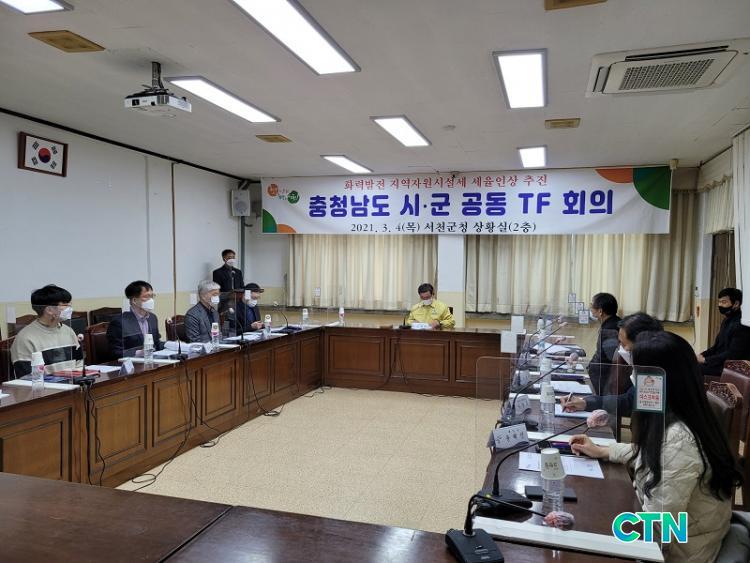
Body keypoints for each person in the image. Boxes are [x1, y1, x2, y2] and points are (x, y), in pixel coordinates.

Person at [570, 331, 742, 562]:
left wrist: (599, 529)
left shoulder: (679, 440)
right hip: (686, 540)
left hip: (681, 554)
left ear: (660, 381)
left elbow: (659, 531)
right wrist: (604, 451)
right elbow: (652, 453)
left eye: (638, 372)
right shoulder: (686, 416)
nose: (634, 379)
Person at [560, 312, 663, 417]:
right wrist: (585, 403)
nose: (620, 348)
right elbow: (630, 399)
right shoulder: (643, 366)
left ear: (641, 344)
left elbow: (630, 402)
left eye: (623, 344)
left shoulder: (658, 373)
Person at [10, 285, 83, 377]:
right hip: (46, 386)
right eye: (65, 304)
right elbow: (27, 377)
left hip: (73, 384)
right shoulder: (25, 338)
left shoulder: (69, 331)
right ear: (49, 310)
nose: (70, 308)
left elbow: (79, 364)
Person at [698, 288, 750, 377]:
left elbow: (732, 354)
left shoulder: (743, 324)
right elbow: (716, 347)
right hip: (720, 363)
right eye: (719, 302)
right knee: (690, 365)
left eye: (724, 302)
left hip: (733, 369)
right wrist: (701, 355)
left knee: (694, 369)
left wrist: (705, 360)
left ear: (736, 304)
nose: (720, 305)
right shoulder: (726, 320)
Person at [106, 281, 163, 358]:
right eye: (147, 297)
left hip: (151, 361)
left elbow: (156, 344)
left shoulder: (152, 318)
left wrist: (173, 345)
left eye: (152, 296)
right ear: (134, 301)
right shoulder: (119, 323)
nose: (151, 300)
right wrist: (139, 353)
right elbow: (115, 352)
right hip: (131, 363)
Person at [587, 292, 621, 395]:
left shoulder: (609, 330)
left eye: (592, 306)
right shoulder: (615, 322)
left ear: (600, 311)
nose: (591, 309)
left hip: (603, 380)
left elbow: (609, 359)